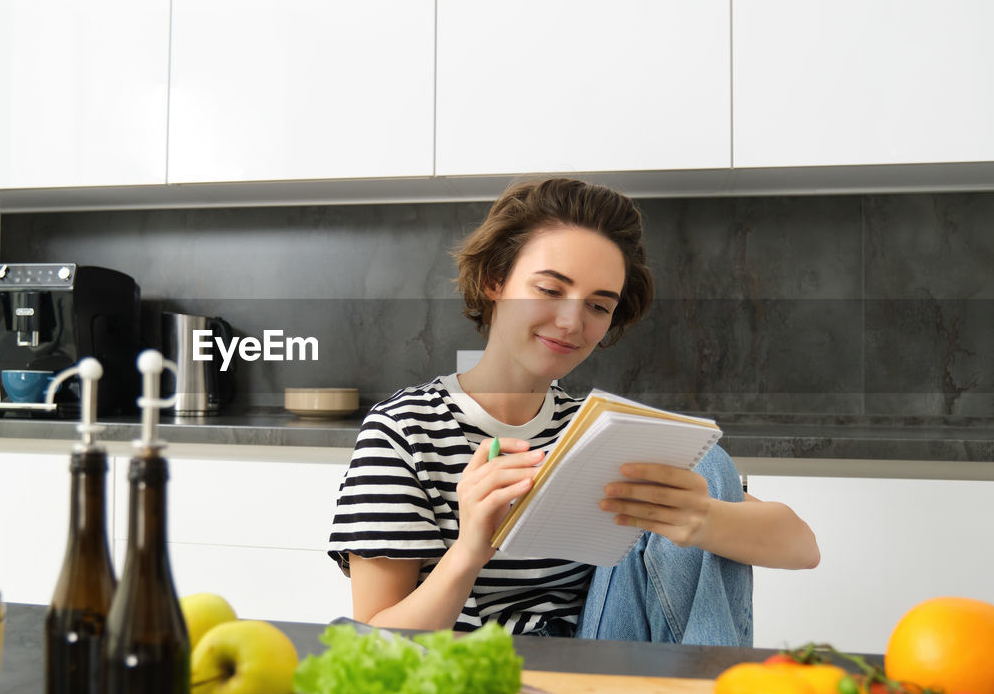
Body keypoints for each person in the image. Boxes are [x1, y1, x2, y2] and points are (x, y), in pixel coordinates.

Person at [327, 178, 819, 644]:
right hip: (475, 674)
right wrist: (472, 548)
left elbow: (803, 548)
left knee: (706, 466)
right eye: (549, 289)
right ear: (495, 279)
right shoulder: (405, 431)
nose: (571, 322)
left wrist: (699, 518)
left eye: (598, 306)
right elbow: (375, 640)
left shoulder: (596, 431)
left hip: (599, 656)